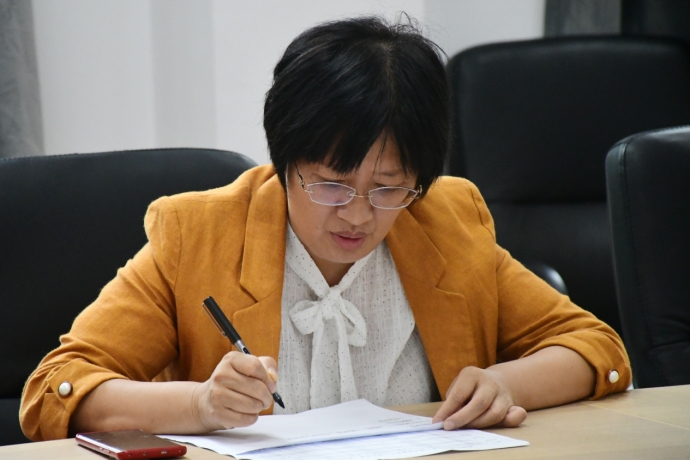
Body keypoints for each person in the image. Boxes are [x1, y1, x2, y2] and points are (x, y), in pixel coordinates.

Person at [20, 16, 630, 442]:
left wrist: (503, 383)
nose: (359, 214)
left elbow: (595, 347)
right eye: (332, 184)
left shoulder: (446, 220)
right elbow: (53, 389)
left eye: (389, 187)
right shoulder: (198, 233)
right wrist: (201, 403)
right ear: (284, 162)